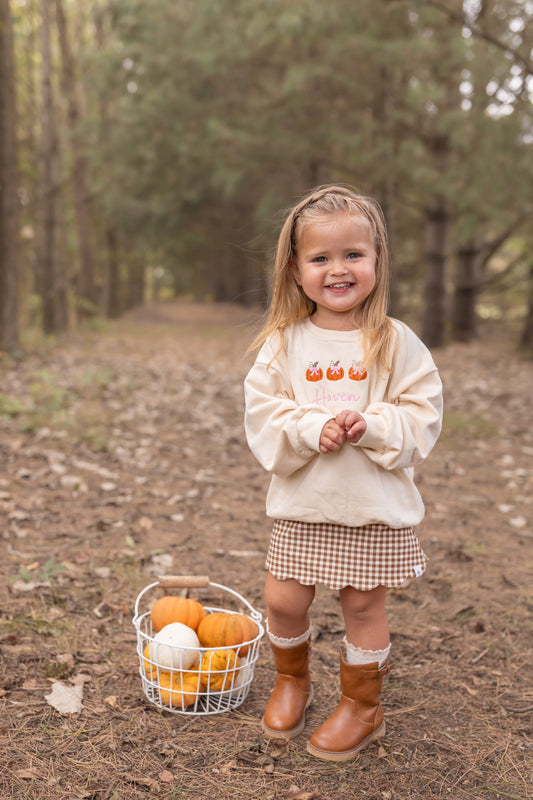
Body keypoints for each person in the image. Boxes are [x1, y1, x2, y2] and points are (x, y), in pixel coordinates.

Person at [244, 185, 443, 762]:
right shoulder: (283, 344)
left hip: (370, 506)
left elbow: (422, 415)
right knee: (283, 599)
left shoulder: (396, 342)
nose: (338, 269)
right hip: (305, 502)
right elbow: (265, 415)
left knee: (362, 607)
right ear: (296, 269)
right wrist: (312, 429)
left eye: (354, 254)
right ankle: (293, 680)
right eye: (320, 258)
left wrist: (373, 425)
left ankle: (361, 705)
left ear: (377, 259)